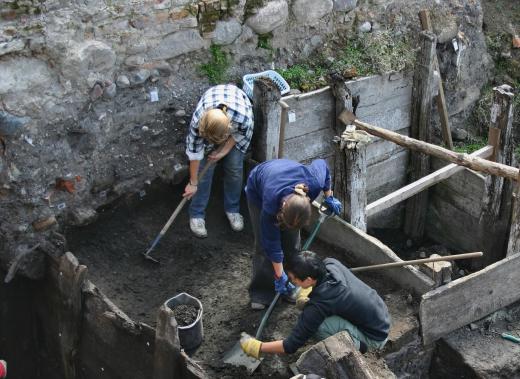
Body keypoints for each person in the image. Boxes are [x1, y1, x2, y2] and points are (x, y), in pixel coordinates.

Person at [240, 251, 391, 358]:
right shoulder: (331, 263)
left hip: (375, 337)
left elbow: (291, 345)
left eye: (293, 279)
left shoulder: (319, 305)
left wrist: (258, 346)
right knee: (304, 297)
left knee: (319, 327)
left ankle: (359, 346)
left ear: (309, 280)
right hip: (380, 314)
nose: (291, 282)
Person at [244, 159, 342, 309]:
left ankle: (291, 283)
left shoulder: (314, 183)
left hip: (286, 179)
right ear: (282, 209)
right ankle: (262, 293)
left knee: (292, 244)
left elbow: (323, 164)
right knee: (264, 248)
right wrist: (279, 275)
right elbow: (272, 244)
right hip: (258, 188)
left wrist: (329, 196)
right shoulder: (270, 203)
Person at [183, 84, 254, 238]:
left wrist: (224, 151)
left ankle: (233, 210)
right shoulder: (198, 122)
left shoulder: (243, 119)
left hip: (236, 121)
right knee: (204, 170)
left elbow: (241, 134)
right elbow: (195, 153)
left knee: (234, 167)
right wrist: (193, 182)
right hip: (214, 110)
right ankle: (196, 214)